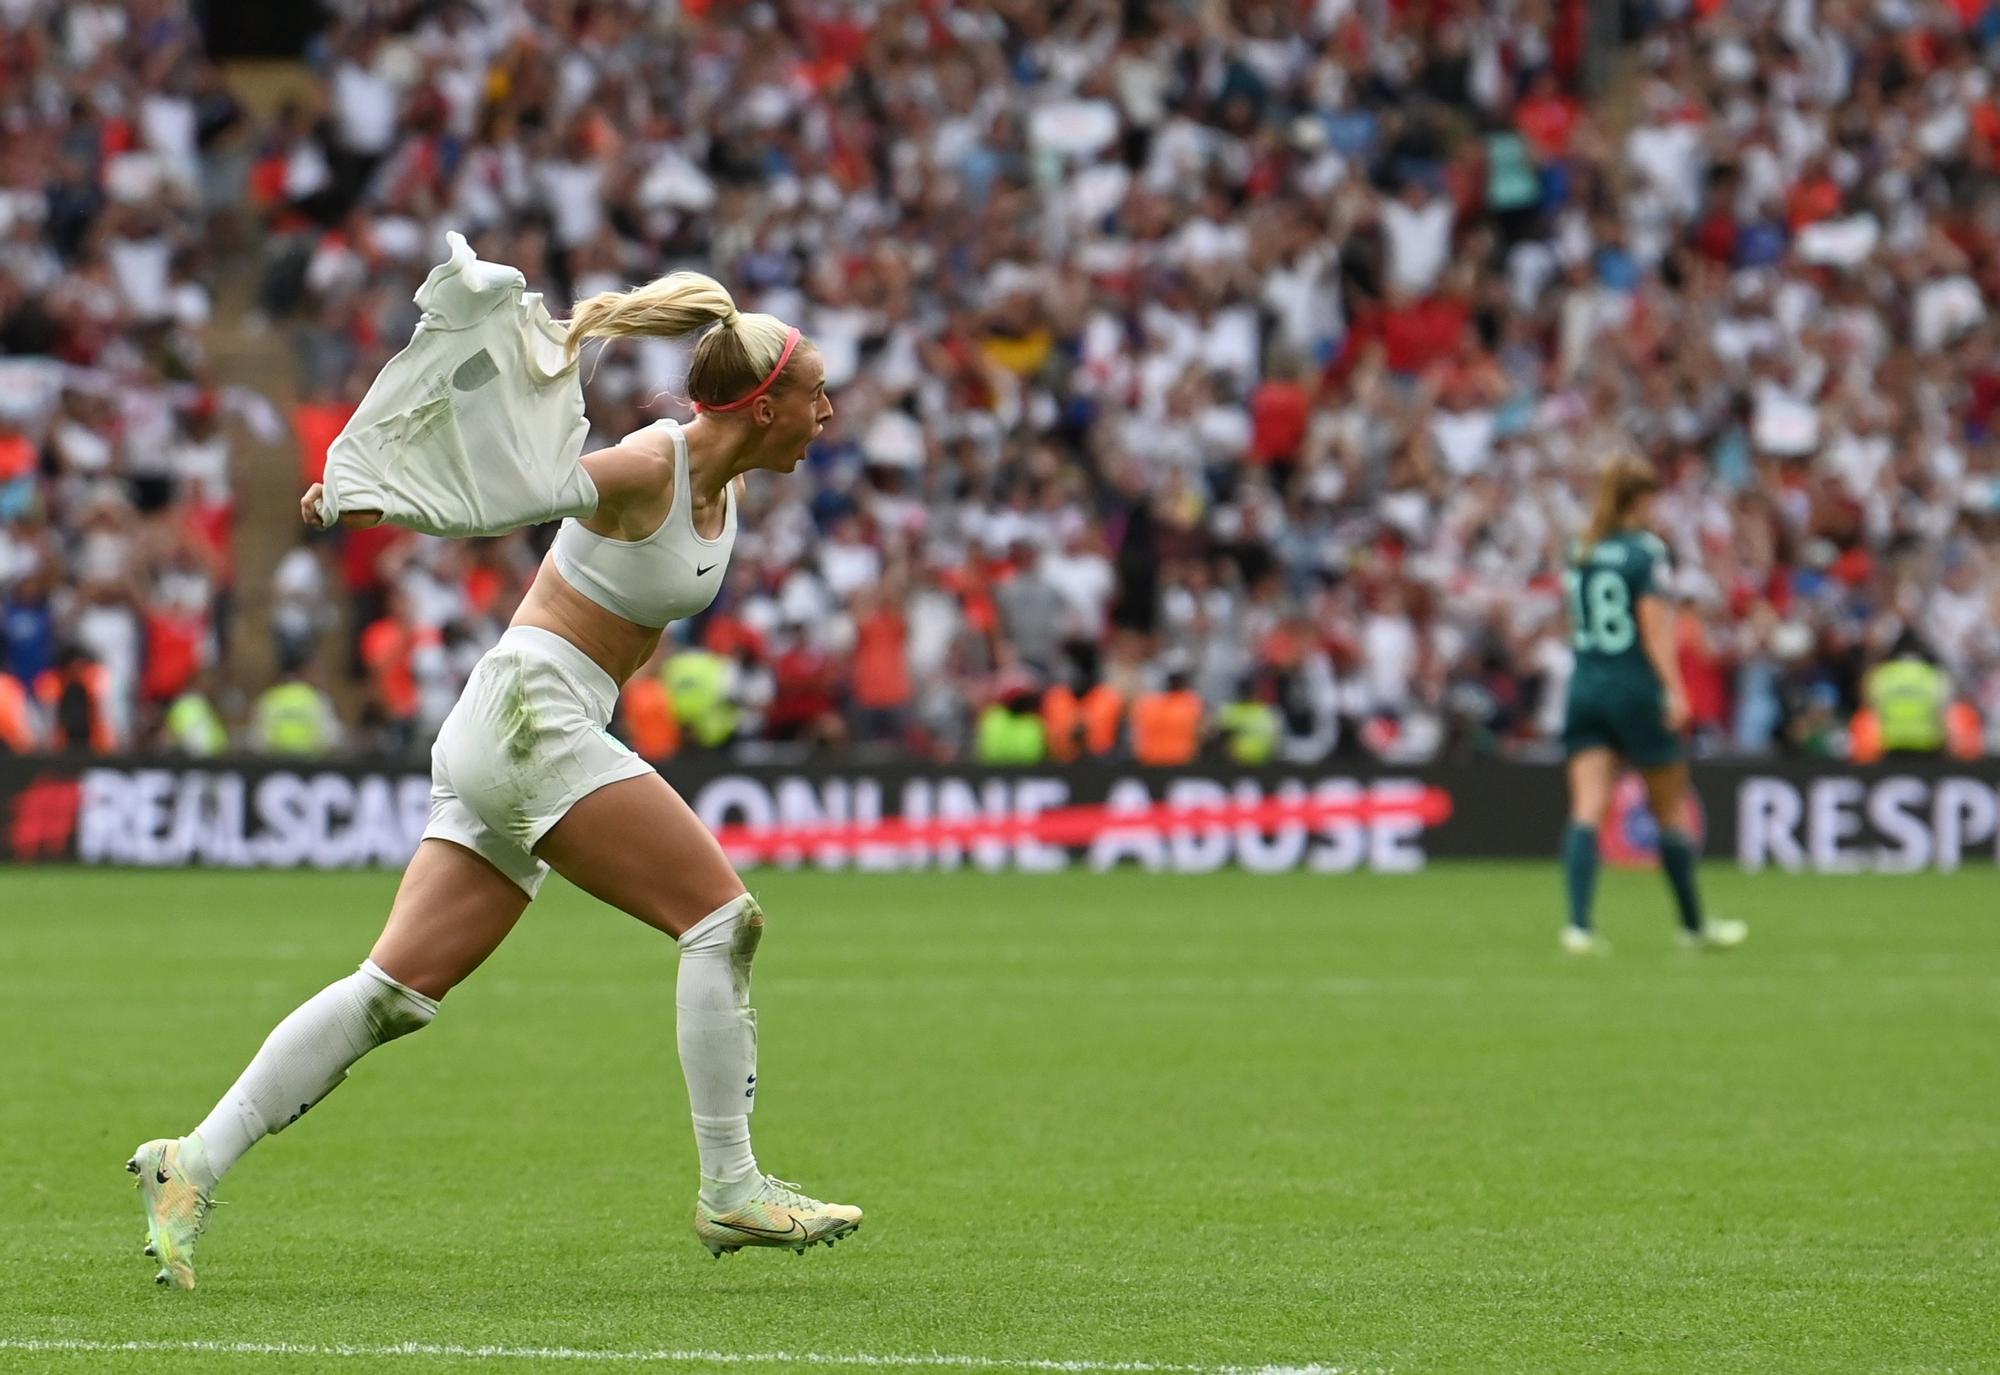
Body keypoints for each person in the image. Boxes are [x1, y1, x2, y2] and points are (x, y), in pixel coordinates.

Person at [127, 251, 855, 1290]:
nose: (828, 407)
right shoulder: (656, 463)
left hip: (512, 719)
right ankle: (730, 1189)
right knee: (719, 919)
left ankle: (187, 1161)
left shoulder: (723, 482)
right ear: (761, 404)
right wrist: (377, 498)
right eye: (813, 389)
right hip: (530, 714)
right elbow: (524, 489)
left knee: (393, 994)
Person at [1557, 456, 1747, 956]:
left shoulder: (1581, 548)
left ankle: (1578, 926)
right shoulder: (1645, 552)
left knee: (1587, 808)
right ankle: (1692, 925)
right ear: (1641, 499)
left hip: (1585, 686)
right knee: (1670, 810)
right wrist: (1676, 690)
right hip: (1635, 689)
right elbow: (1655, 632)